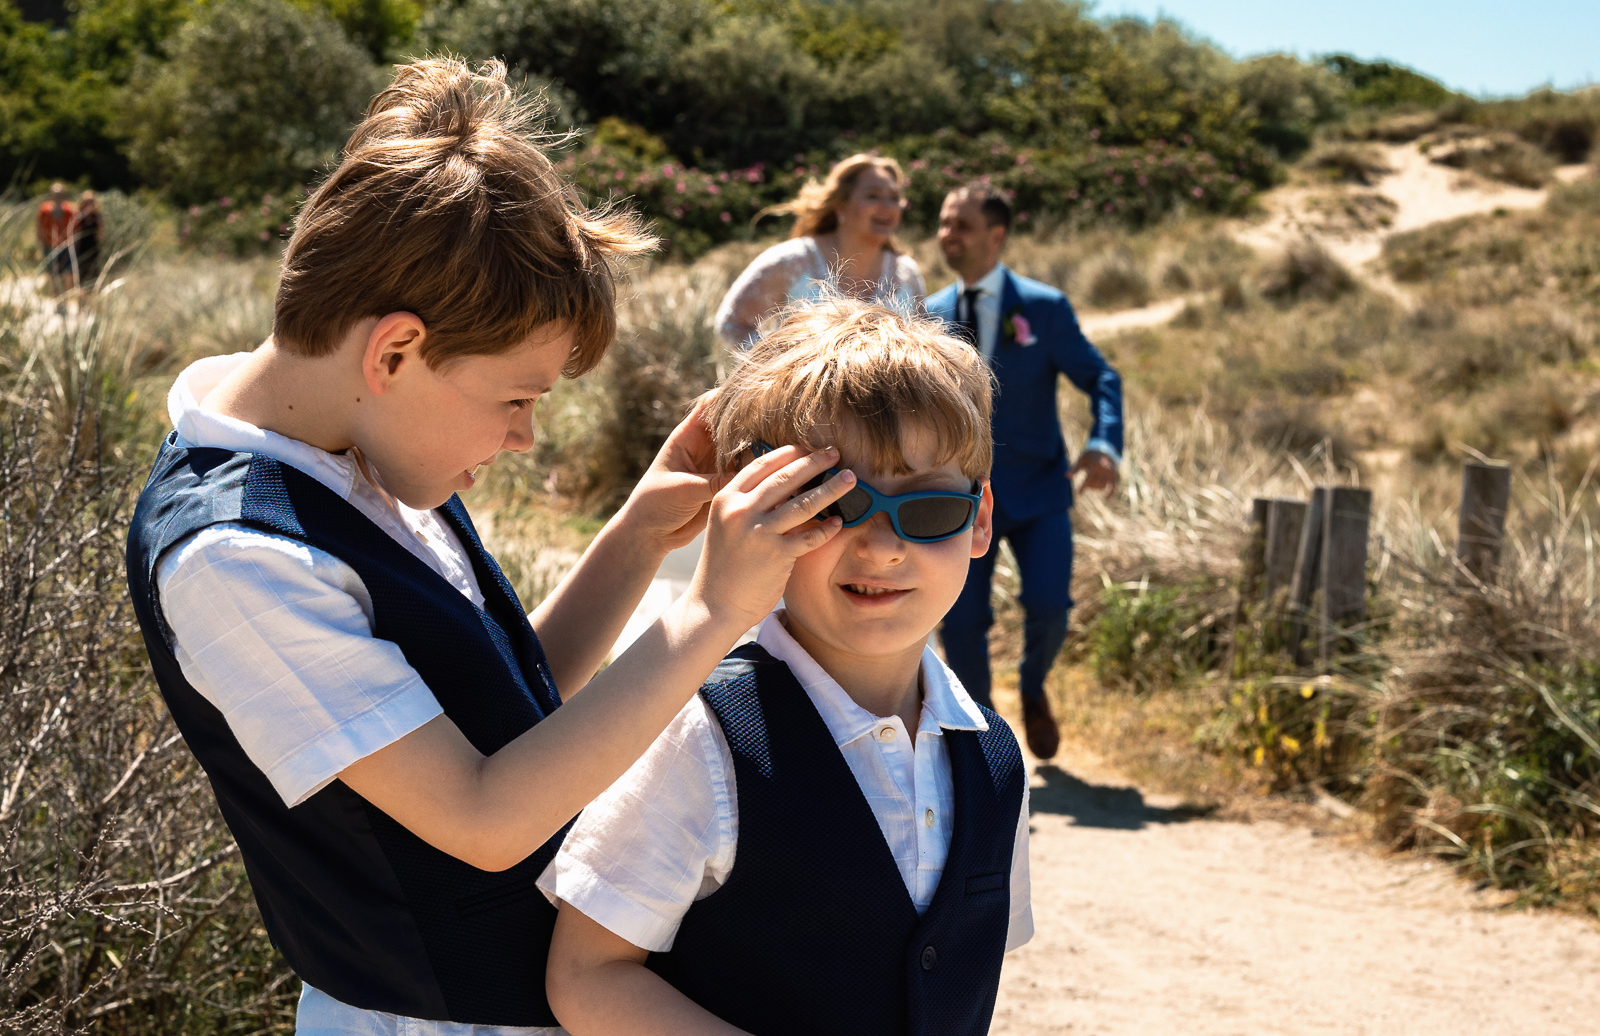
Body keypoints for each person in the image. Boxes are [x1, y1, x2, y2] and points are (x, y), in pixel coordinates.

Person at [124, 58, 858, 1036]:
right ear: (393, 351)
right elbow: (482, 814)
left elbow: (505, 717)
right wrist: (708, 610)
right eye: (516, 398)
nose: (522, 437)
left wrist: (637, 537)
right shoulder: (233, 555)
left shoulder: (356, 444)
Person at [542, 302, 1032, 1036]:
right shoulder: (700, 733)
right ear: (756, 510)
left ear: (980, 518)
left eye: (927, 511)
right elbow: (585, 974)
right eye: (832, 505)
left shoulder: (992, 755)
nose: (882, 547)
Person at [926, 185, 1123, 761]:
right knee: (960, 623)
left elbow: (1102, 379)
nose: (947, 235)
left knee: (1049, 606)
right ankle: (983, 738)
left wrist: (1104, 444)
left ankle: (1034, 687)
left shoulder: (1045, 308)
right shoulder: (929, 313)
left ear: (996, 235)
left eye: (960, 224)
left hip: (1040, 491)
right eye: (942, 223)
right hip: (959, 496)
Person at [714, 153, 925, 348]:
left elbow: (922, 348)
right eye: (873, 196)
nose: (887, 206)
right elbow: (731, 324)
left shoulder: (908, 274)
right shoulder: (791, 261)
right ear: (840, 205)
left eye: (895, 198)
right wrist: (783, 369)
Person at [36, 182, 76, 297]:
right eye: (55, 194)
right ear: (51, 195)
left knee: (67, 272)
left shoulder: (69, 210)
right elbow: (39, 228)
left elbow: (75, 227)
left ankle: (66, 296)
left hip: (65, 245)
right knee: (53, 274)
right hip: (49, 245)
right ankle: (56, 296)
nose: (58, 197)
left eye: (60, 195)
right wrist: (41, 243)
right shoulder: (44, 210)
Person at [70, 189, 103, 290]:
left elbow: (100, 234)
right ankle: (81, 301)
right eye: (86, 201)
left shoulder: (97, 216)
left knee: (93, 274)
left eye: (91, 201)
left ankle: (92, 299)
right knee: (80, 275)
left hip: (93, 248)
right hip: (80, 249)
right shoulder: (78, 216)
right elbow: (73, 231)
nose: (89, 204)